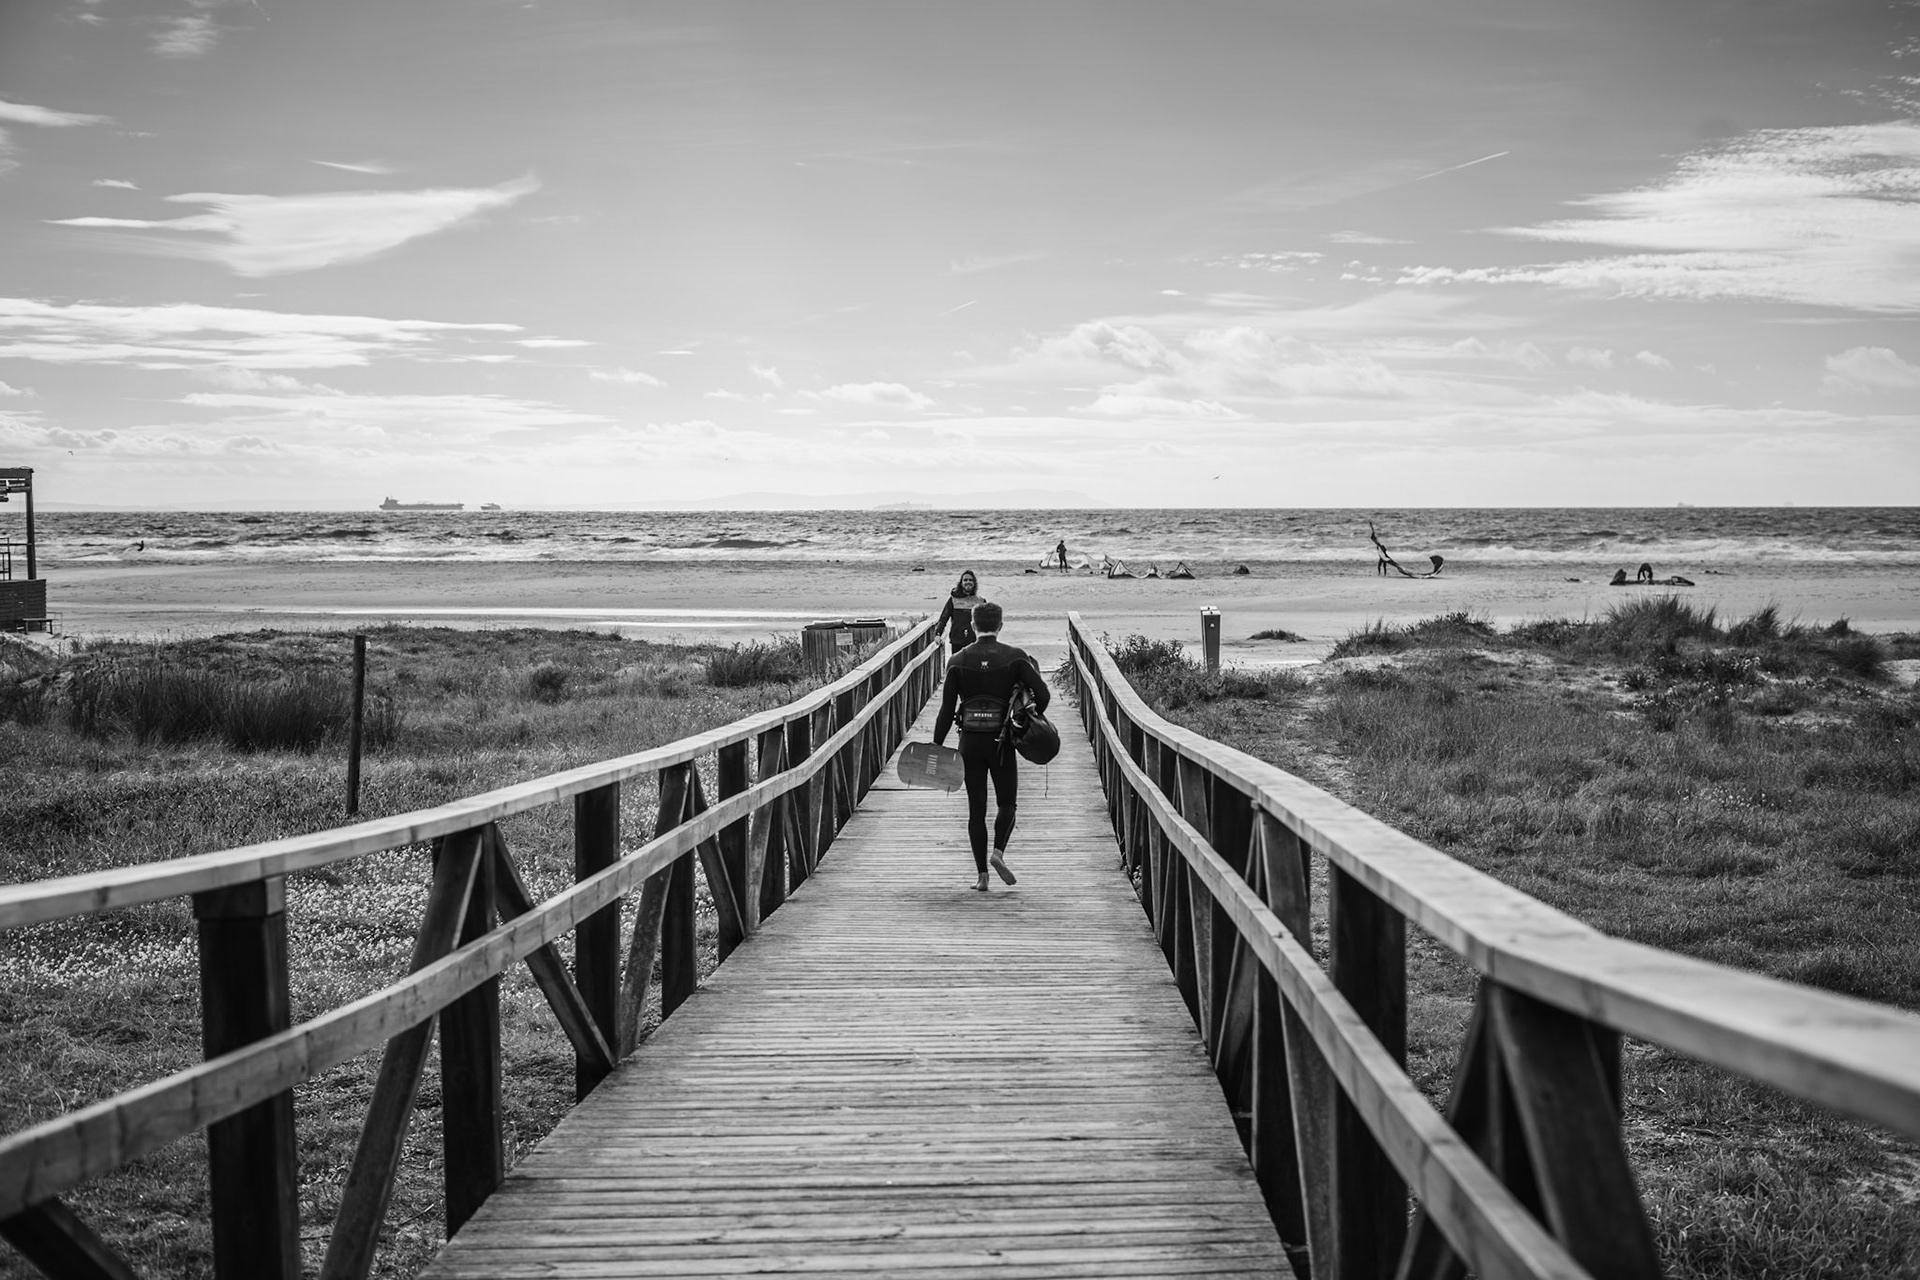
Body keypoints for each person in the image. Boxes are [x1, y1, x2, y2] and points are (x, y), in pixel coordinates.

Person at [932, 601, 1050, 893]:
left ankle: (982, 876)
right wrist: (1024, 721)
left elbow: (946, 711)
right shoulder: (1016, 657)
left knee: (976, 809)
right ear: (1000, 625)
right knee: (1007, 803)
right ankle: (998, 852)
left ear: (973, 626)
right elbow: (1043, 694)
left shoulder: (957, 660)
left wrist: (936, 746)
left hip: (969, 742)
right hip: (1002, 741)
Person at [934, 569, 983, 655]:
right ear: (961, 583)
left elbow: (988, 622)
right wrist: (938, 634)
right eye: (965, 580)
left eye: (971, 580)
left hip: (974, 642)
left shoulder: (980, 601)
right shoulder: (953, 600)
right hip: (957, 641)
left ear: (974, 583)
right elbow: (944, 618)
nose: (968, 582)